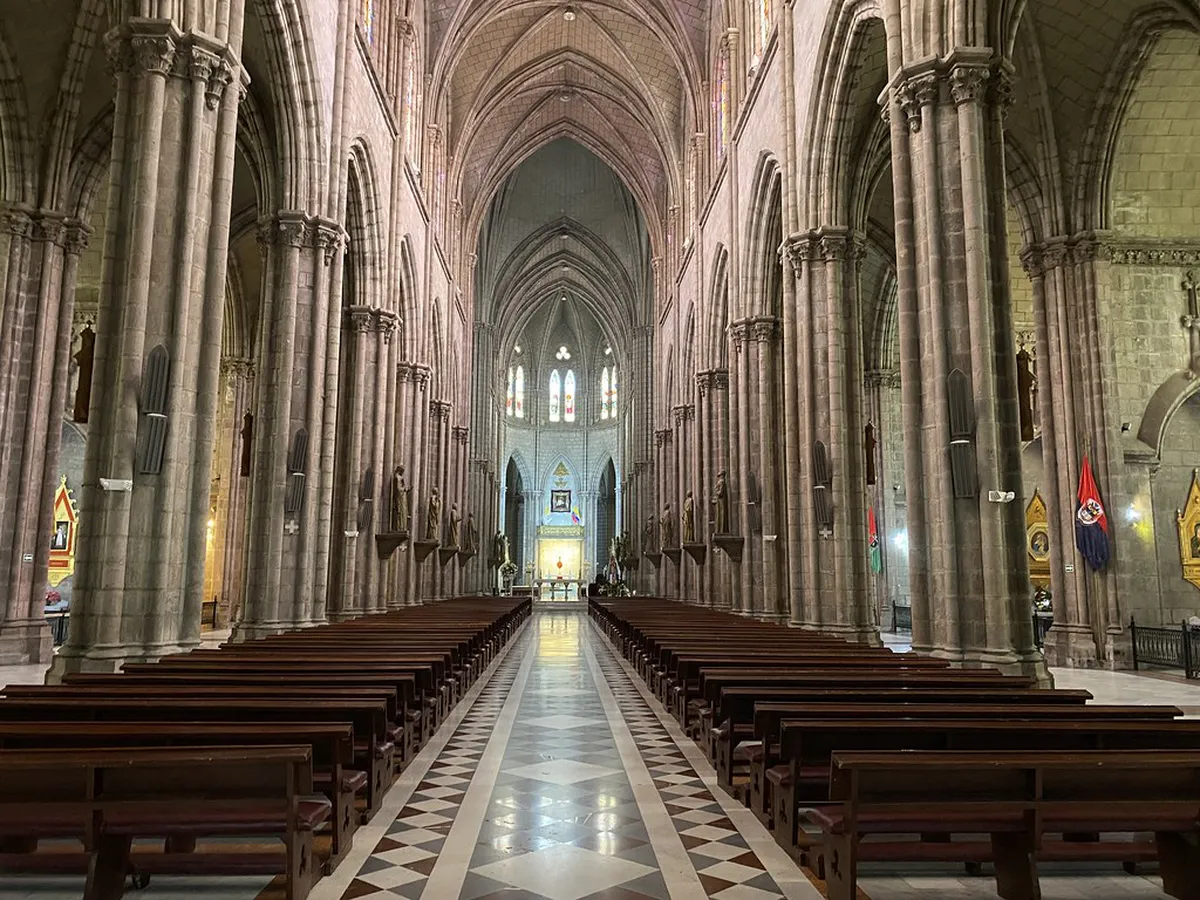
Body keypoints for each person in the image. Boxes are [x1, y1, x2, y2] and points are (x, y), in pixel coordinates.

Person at [389, 465, 409, 533]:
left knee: (402, 512)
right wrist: (405, 489)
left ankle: (401, 527)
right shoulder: (397, 477)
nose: (403, 472)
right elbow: (398, 489)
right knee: (399, 512)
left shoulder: (399, 477)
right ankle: (399, 528)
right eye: (403, 471)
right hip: (399, 498)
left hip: (401, 498)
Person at [714, 469, 729, 534]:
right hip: (720, 502)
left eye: (720, 475)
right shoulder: (721, 482)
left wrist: (716, 491)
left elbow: (720, 493)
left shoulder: (721, 482)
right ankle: (721, 529)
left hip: (721, 502)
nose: (720, 477)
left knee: (722, 515)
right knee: (720, 515)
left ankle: (721, 530)